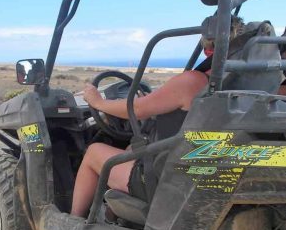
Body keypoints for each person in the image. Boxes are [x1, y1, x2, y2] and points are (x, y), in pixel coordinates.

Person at [71, 17, 244, 217]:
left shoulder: (193, 81)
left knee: (93, 151)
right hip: (211, 170)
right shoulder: (245, 85)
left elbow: (136, 109)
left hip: (169, 179)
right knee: (130, 149)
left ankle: (75, 221)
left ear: (208, 48)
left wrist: (97, 102)